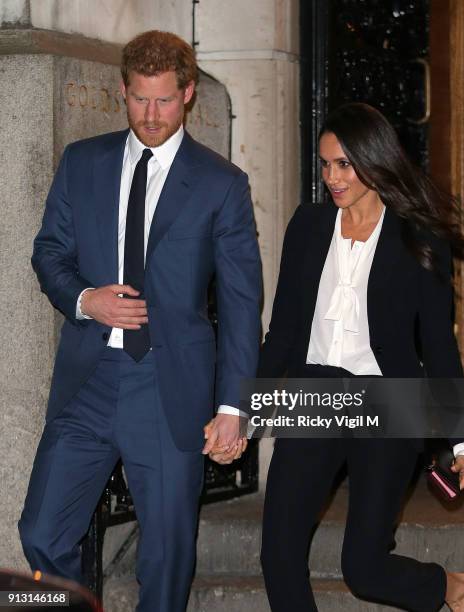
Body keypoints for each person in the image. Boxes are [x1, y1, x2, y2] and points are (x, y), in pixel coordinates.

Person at [18, 30, 261, 612]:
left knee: (167, 557)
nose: (151, 116)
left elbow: (241, 301)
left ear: (189, 94)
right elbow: (49, 252)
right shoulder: (83, 163)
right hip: (90, 381)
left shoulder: (221, 184)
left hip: (168, 386)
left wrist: (233, 409)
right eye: (139, 99)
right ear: (121, 91)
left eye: (165, 101)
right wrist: (84, 298)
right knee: (41, 532)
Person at [258, 103, 464, 611]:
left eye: (344, 165)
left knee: (364, 570)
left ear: (373, 160)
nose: (331, 177)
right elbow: (284, 329)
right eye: (324, 164)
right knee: (278, 552)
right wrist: (242, 408)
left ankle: (457, 587)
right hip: (314, 394)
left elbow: (439, 344)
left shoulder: (416, 237)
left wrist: (462, 438)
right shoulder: (309, 226)